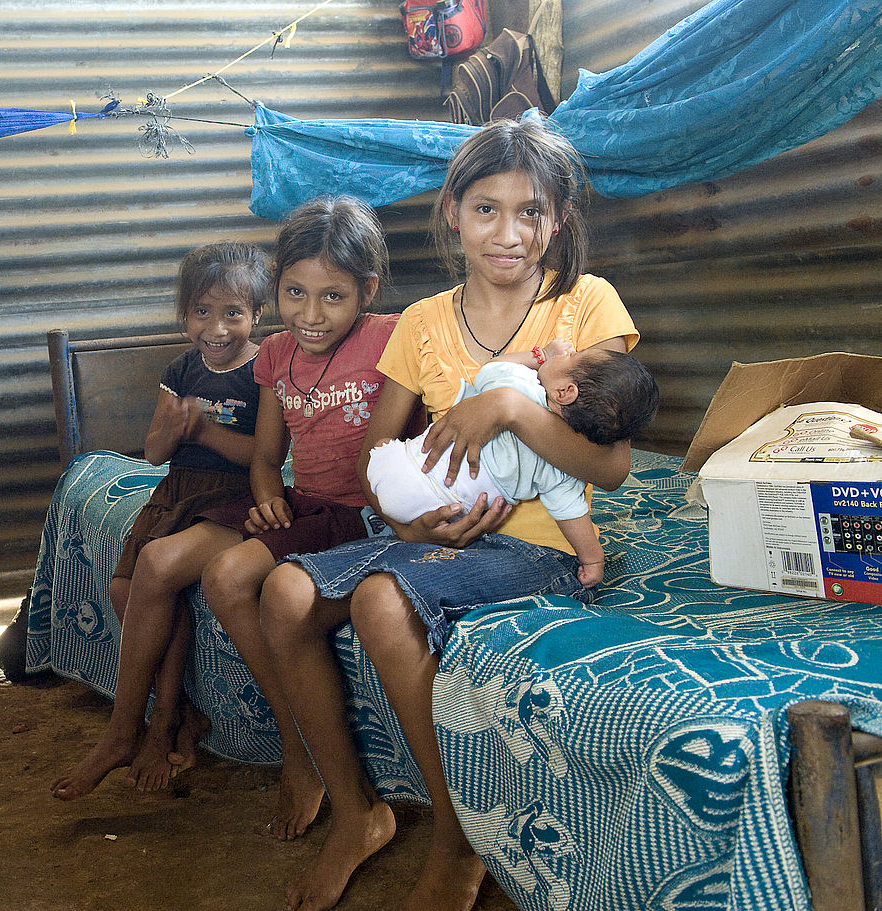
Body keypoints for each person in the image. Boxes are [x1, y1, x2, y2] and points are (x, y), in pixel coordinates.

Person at [258, 117, 640, 911]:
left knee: (377, 599)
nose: (510, 232)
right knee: (284, 594)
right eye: (487, 209)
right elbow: (374, 458)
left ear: (558, 219)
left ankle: (459, 836)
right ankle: (359, 813)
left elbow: (611, 464)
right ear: (453, 213)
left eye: (531, 212)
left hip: (542, 548)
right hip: (438, 534)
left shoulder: (586, 306)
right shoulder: (425, 322)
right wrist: (405, 528)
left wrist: (507, 406)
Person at [198, 195, 403, 841]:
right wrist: (267, 493)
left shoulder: (393, 336)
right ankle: (298, 740)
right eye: (294, 292)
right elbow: (266, 456)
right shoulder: (275, 354)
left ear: (366, 291)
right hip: (308, 505)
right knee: (223, 575)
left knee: (231, 575)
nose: (310, 315)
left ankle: (302, 751)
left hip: (364, 513)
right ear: (275, 284)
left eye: (333, 296)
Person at [51, 241, 270, 799]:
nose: (216, 328)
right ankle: (177, 718)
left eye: (233, 313)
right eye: (202, 312)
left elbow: (262, 457)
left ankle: (130, 730)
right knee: (126, 590)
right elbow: (151, 454)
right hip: (178, 491)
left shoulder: (264, 370)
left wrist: (204, 430)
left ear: (257, 316)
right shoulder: (180, 369)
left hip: (234, 496)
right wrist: (175, 428)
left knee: (154, 564)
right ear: (184, 315)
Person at [367, 337, 658, 586]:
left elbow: (491, 368)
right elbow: (572, 514)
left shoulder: (518, 383)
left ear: (566, 392)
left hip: (400, 474)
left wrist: (541, 355)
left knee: (382, 447)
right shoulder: (562, 468)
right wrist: (593, 560)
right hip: (452, 513)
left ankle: (385, 464)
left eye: (573, 357)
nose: (568, 353)